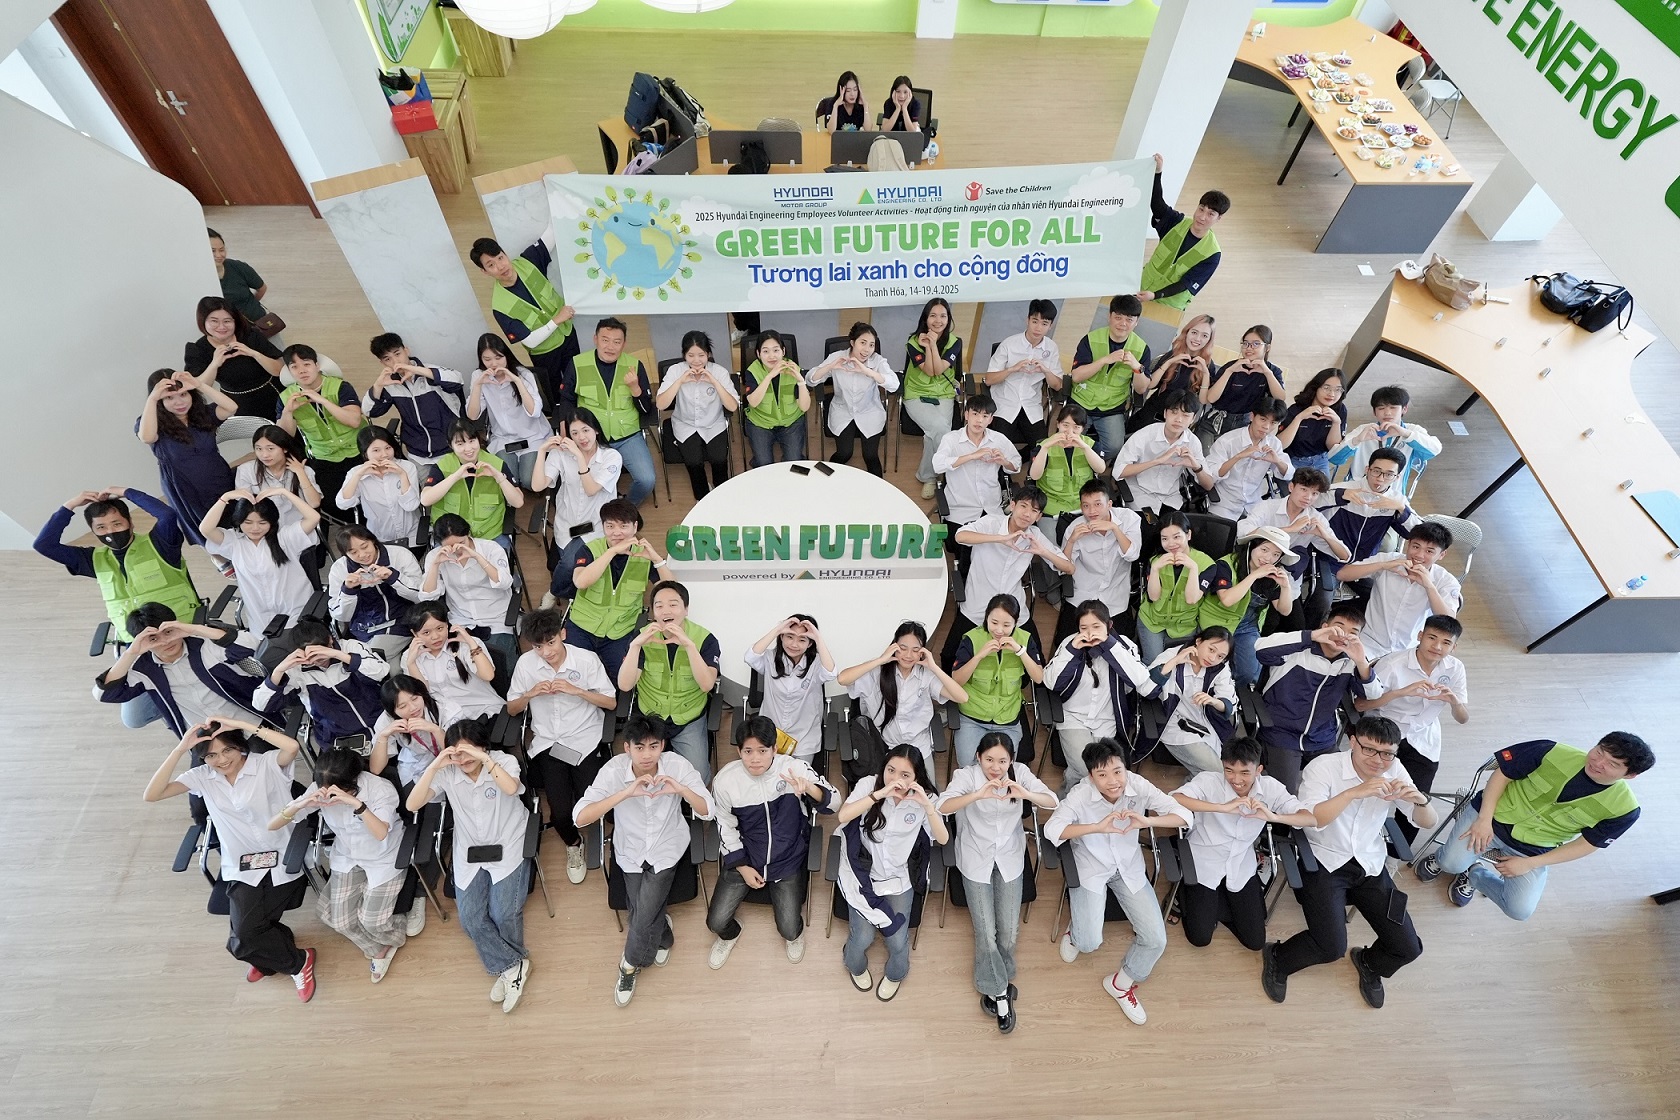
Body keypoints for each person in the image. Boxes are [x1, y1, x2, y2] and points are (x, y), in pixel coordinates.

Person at [1261, 716, 1435, 1009]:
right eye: (1369, 750)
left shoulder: (1394, 769)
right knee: (1330, 947)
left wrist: (1421, 801)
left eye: (1387, 754)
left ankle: (1369, 963)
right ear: (1353, 742)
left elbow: (1428, 822)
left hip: (1369, 863)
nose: (1378, 761)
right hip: (1323, 859)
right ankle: (1278, 957)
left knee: (1408, 947)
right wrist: (1354, 792)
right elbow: (1313, 819)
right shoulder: (1324, 767)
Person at [142, 716, 317, 1001]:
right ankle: (286, 959)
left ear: (239, 746)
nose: (221, 760)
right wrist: (180, 749)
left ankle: (289, 960)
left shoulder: (265, 765)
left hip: (283, 858)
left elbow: (292, 747)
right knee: (245, 937)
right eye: (211, 755)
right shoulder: (202, 777)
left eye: (227, 750)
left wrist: (241, 725)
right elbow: (152, 794)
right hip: (242, 866)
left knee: (241, 941)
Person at [1418, 733, 1652, 920]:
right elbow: (1503, 773)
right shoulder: (1551, 751)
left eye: (1612, 764)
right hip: (1493, 818)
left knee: (1519, 911)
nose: (1597, 763)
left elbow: (1587, 845)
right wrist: (1484, 819)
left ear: (1630, 775)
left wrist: (1531, 863)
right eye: (1599, 751)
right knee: (1450, 863)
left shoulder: (1625, 810)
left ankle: (1474, 873)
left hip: (1532, 848)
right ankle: (1446, 859)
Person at [574, 714, 717, 1008]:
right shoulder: (613, 770)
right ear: (627, 747)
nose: (647, 755)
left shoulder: (676, 765)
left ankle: (628, 966)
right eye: (639, 748)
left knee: (639, 916)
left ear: (662, 745)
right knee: (643, 910)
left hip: (666, 849)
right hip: (630, 851)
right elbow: (580, 817)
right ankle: (664, 935)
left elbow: (708, 810)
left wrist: (681, 789)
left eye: (653, 746)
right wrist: (625, 793)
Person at [1045, 737, 1187, 1025]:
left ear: (1126, 768)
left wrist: (1149, 821)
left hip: (1128, 867)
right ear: (1091, 776)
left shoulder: (1138, 785)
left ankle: (1120, 985)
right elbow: (1052, 829)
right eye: (1102, 775)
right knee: (1088, 943)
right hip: (1092, 866)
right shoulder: (1081, 794)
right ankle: (1076, 931)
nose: (1113, 782)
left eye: (1118, 771)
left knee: (1156, 940)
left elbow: (1183, 815)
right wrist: (1097, 827)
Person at [406, 717, 534, 1013]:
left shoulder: (503, 761)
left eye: (468, 752)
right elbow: (413, 804)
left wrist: (484, 759)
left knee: (502, 913)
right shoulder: (448, 772)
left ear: (482, 747)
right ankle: (513, 965)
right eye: (456, 753)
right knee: (471, 920)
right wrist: (435, 765)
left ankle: (508, 968)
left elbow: (511, 788)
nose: (462, 759)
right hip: (470, 851)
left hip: (508, 842)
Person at [936, 731, 1058, 1032]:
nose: (996, 767)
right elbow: (942, 806)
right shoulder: (967, 776)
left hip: (1009, 858)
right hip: (975, 858)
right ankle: (1001, 993)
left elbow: (1052, 801)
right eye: (989, 759)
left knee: (1010, 931)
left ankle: (995, 981)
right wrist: (978, 795)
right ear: (979, 757)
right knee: (986, 932)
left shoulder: (1021, 773)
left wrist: (1025, 793)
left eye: (1002, 761)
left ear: (1011, 760)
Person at [35, 488, 199, 703]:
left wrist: (127, 493)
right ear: (93, 531)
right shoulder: (93, 559)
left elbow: (167, 515)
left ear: (130, 523)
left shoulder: (159, 544)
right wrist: (70, 506)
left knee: (198, 684)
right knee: (135, 716)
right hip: (139, 645)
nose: (110, 532)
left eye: (117, 524)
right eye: (101, 527)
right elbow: (43, 545)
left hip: (182, 632)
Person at [707, 715, 841, 969]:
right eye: (748, 751)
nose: (755, 758)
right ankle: (731, 935)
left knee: (789, 930)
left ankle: (795, 934)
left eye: (762, 750)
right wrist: (742, 867)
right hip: (747, 857)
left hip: (787, 859)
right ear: (738, 751)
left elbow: (835, 803)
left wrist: (810, 789)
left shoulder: (793, 768)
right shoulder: (725, 781)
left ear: (774, 749)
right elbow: (725, 826)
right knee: (716, 923)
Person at [269, 748, 407, 982]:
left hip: (383, 855)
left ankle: (397, 927)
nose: (330, 796)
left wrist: (356, 804)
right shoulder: (321, 789)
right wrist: (301, 805)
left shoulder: (380, 789)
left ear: (354, 780)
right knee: (337, 920)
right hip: (348, 856)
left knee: (371, 921)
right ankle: (378, 949)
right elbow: (272, 825)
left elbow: (380, 833)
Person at [1170, 737, 1315, 950]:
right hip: (1204, 859)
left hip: (1240, 862)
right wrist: (1221, 807)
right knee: (1199, 938)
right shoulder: (1209, 780)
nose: (1236, 780)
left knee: (1255, 942)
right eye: (1229, 770)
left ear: (1259, 770)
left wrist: (1274, 817)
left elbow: (1310, 818)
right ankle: (1194, 898)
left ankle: (1213, 906)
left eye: (1245, 773)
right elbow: (1175, 798)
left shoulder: (1271, 788)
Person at [506, 607, 616, 885]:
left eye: (551, 643)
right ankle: (574, 844)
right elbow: (512, 708)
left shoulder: (586, 660)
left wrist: (577, 690)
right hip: (549, 744)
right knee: (561, 814)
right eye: (538, 647)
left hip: (584, 738)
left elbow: (610, 701)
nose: (546, 652)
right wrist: (530, 694)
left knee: (594, 801)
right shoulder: (526, 665)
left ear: (562, 634)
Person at [836, 745, 948, 1001]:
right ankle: (854, 964)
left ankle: (896, 974)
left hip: (899, 877)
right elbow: (843, 815)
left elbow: (942, 839)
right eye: (891, 770)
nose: (896, 779)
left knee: (897, 942)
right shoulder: (869, 784)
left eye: (905, 775)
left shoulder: (925, 798)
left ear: (916, 777)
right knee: (862, 938)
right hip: (863, 871)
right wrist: (880, 794)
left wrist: (927, 807)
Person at [1357, 615, 1470, 844]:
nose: (1437, 647)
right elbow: (1360, 705)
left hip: (1423, 737)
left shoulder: (1455, 668)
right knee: (1369, 791)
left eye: (1446, 643)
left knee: (1418, 798)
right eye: (1432, 638)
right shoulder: (1392, 664)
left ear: (1454, 647)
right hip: (1385, 729)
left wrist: (1454, 702)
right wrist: (1400, 692)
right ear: (1420, 636)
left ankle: (1396, 853)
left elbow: (1463, 718)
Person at [1253, 604, 1382, 792]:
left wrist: (1361, 661)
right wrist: (1311, 636)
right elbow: (1260, 649)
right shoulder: (1297, 649)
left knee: (1342, 789)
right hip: (1282, 735)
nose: (1343, 636)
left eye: (1352, 633)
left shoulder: (1351, 662)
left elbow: (1373, 694)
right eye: (1338, 628)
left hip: (1322, 738)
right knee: (1285, 796)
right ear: (1325, 627)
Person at [95, 605, 265, 738]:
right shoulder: (144, 668)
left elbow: (253, 646)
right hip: (207, 742)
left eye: (168, 632)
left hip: (249, 726)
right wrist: (131, 653)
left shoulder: (204, 644)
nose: (165, 641)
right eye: (153, 638)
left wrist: (194, 629)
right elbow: (104, 694)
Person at [949, 485, 1070, 669]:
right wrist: (999, 539)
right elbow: (960, 536)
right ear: (1013, 505)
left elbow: (1069, 567)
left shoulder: (1034, 535)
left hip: (1013, 609)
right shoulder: (991, 522)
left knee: (1037, 661)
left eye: (1034, 510)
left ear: (1038, 517)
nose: (1027, 514)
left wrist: (1043, 552)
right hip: (977, 605)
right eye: (1023, 506)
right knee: (949, 656)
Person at [617, 580, 721, 783]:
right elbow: (625, 685)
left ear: (686, 610)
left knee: (698, 777)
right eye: (659, 606)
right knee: (641, 775)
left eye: (673, 604)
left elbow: (707, 685)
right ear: (653, 612)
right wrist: (635, 646)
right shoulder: (642, 638)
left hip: (688, 717)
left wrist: (689, 646)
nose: (666, 610)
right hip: (650, 716)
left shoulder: (705, 639)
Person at [1044, 601, 1151, 792]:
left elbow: (1139, 678)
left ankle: (1079, 797)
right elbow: (1051, 682)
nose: (1090, 633)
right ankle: (1069, 797)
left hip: (1107, 721)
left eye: (1096, 627)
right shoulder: (1070, 643)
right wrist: (1072, 650)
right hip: (1074, 717)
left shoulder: (1123, 644)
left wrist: (1109, 645)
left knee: (1105, 771)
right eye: (1084, 628)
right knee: (1085, 769)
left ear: (1109, 625)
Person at [839, 621, 968, 774]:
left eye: (915, 650)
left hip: (919, 748)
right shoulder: (877, 672)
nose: (908, 655)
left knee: (926, 789)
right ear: (894, 647)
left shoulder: (926, 675)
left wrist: (933, 667)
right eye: (903, 648)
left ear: (922, 652)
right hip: (886, 748)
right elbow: (842, 679)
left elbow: (962, 697)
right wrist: (880, 660)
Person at [565, 499, 673, 678]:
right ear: (603, 527)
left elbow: (671, 592)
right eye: (610, 526)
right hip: (582, 627)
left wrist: (657, 560)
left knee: (623, 679)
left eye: (623, 526)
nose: (617, 533)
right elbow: (580, 582)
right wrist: (611, 552)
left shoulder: (643, 554)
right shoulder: (589, 550)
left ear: (635, 527)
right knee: (575, 675)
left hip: (621, 631)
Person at [471, 229, 578, 406]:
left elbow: (552, 233)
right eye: (491, 265)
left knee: (578, 382)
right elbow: (530, 341)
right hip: (545, 354)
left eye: (500, 258)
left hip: (568, 335)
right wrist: (557, 319)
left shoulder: (528, 262)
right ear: (485, 271)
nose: (500, 266)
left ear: (505, 254)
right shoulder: (500, 307)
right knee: (558, 396)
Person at [560, 318, 656, 505]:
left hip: (627, 436)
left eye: (616, 342)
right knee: (580, 481)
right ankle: (598, 508)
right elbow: (566, 399)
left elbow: (646, 409)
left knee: (647, 480)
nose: (610, 347)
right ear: (595, 339)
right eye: (605, 340)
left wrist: (635, 388)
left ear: (624, 344)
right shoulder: (577, 363)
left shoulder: (634, 365)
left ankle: (623, 508)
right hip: (591, 437)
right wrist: (565, 431)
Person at [1237, 468, 1348, 627]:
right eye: (1303, 489)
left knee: (1296, 627)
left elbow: (1344, 556)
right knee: (1267, 623)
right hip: (1254, 569)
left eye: (1315, 493)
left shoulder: (1315, 518)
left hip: (1286, 579)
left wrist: (1325, 535)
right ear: (1291, 487)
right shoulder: (1268, 506)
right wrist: (1289, 529)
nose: (1308, 497)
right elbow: (1242, 531)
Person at [256, 617, 389, 749]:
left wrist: (340, 655)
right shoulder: (296, 671)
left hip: (380, 721)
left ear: (330, 640)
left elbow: (381, 672)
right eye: (310, 654)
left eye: (319, 651)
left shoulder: (350, 647)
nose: (317, 658)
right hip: (338, 738)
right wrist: (278, 671)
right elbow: (261, 705)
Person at [1335, 521, 1461, 660]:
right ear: (1408, 544)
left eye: (1429, 551)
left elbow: (1448, 621)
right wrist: (1382, 566)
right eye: (1416, 546)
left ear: (1442, 555)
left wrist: (1429, 586)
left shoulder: (1446, 581)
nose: (1419, 555)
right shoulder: (1388, 560)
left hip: (1410, 651)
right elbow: (1342, 574)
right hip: (1369, 644)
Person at [139, 368, 238, 545]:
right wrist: (152, 398)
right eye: (169, 398)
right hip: (186, 487)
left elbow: (231, 407)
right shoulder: (151, 422)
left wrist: (199, 384)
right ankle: (220, 555)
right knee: (209, 532)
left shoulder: (202, 414)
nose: (179, 402)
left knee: (236, 520)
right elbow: (147, 437)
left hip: (218, 477)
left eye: (183, 394)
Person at [199, 489, 319, 630]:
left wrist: (284, 492)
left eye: (262, 523)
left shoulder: (285, 538)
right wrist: (225, 498)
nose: (255, 528)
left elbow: (313, 518)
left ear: (271, 522)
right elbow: (205, 529)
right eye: (248, 522)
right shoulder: (234, 542)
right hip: (260, 618)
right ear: (239, 521)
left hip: (297, 611)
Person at [930, 393, 1021, 576]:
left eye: (985, 416)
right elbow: (937, 465)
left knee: (997, 554)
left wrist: (1004, 461)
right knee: (967, 557)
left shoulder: (999, 439)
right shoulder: (952, 439)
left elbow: (1016, 465)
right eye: (975, 414)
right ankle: (966, 586)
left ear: (991, 419)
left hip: (991, 509)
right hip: (961, 511)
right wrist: (972, 456)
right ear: (966, 415)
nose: (979, 420)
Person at [951, 594, 1046, 767]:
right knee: (968, 767)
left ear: (1016, 623)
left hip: (1007, 720)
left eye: (1007, 625)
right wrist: (979, 656)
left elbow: (1038, 678)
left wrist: (1020, 651)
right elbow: (956, 680)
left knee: (1001, 768)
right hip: (972, 717)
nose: (999, 630)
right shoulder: (972, 639)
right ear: (986, 617)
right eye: (994, 623)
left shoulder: (1025, 639)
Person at [1197, 525, 1298, 686]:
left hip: (1247, 627)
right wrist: (1255, 575)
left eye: (1276, 554)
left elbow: (1284, 610)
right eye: (1264, 550)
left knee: (1248, 673)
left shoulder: (1273, 574)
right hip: (1217, 622)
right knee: (1211, 665)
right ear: (1252, 545)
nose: (1268, 558)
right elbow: (1227, 600)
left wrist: (1285, 586)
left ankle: (1230, 692)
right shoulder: (1226, 564)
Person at [276, 344, 366, 521]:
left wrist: (323, 401)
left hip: (358, 449)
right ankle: (355, 528)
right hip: (324, 455)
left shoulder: (340, 387)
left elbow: (354, 421)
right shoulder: (285, 397)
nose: (302, 371)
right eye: (294, 367)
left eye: (306, 364)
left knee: (370, 493)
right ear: (289, 371)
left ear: (317, 366)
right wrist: (287, 412)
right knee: (331, 503)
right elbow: (284, 437)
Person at [415, 515, 517, 667]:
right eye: (449, 546)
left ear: (468, 534)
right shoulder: (435, 556)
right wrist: (435, 565)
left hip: (496, 618)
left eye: (461, 543)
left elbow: (504, 583)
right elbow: (427, 597)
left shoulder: (490, 548)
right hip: (461, 620)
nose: (456, 549)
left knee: (499, 662)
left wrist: (477, 557)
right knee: (458, 663)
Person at [1136, 152, 1228, 311]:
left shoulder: (1212, 254)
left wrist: (1156, 295)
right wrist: (1157, 173)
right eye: (1201, 209)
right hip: (1141, 288)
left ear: (1219, 218)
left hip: (1169, 305)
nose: (1202, 217)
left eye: (1210, 214)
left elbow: (1187, 283)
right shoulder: (1177, 222)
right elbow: (1157, 205)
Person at [1056, 480, 1142, 647]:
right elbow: (1064, 568)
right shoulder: (1075, 527)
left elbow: (1132, 555)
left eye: (1097, 504)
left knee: (1122, 649)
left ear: (1109, 504)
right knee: (1065, 646)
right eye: (1086, 506)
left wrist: (1115, 528)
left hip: (1115, 597)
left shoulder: (1128, 519)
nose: (1092, 511)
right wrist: (1072, 541)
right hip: (1083, 595)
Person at [183, 296, 283, 437]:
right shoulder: (198, 349)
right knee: (264, 439)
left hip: (273, 394)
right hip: (238, 403)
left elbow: (278, 370)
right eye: (214, 321)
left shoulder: (250, 335)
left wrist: (254, 354)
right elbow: (199, 387)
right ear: (203, 321)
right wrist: (214, 364)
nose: (221, 327)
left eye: (227, 321)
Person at [808, 322, 900, 477]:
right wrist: (829, 367)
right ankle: (826, 482)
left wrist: (868, 372)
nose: (867, 349)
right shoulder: (837, 357)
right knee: (844, 453)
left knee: (870, 456)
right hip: (843, 410)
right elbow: (811, 380)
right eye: (863, 343)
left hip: (869, 412)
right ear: (852, 342)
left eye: (871, 345)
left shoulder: (877, 361)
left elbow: (894, 385)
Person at [743, 615, 837, 764]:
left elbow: (831, 673)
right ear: (782, 637)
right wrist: (778, 629)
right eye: (789, 637)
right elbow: (750, 657)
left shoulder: (817, 663)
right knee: (768, 775)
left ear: (810, 643)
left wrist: (818, 638)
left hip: (804, 737)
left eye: (802, 640)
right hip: (770, 734)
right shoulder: (770, 658)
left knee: (799, 776)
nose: (794, 644)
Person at [364, 332, 466, 469]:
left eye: (398, 354)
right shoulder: (390, 383)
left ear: (406, 350)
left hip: (451, 449)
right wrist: (378, 385)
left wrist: (418, 371)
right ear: (382, 363)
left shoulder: (429, 371)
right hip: (417, 455)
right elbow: (369, 411)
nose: (395, 362)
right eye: (387, 359)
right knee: (422, 483)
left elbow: (458, 380)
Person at [465, 333, 554, 490]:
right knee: (508, 480)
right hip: (503, 438)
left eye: (498, 357)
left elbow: (534, 411)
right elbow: (472, 415)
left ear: (506, 355)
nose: (494, 364)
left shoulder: (523, 374)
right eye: (487, 359)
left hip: (532, 437)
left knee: (528, 481)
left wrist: (517, 381)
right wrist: (478, 386)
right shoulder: (478, 376)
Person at [532, 408, 624, 559]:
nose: (581, 437)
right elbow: (537, 486)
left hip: (598, 526)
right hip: (567, 526)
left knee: (572, 563)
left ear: (596, 430)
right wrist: (542, 451)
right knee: (572, 562)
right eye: (574, 433)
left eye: (585, 430)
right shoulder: (560, 454)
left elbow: (591, 489)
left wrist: (579, 457)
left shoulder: (612, 457)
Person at [656, 331, 737, 500]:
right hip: (685, 424)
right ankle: (702, 496)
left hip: (713, 423)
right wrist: (679, 381)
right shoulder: (675, 370)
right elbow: (661, 404)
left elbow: (732, 406)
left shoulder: (719, 372)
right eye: (690, 355)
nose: (696, 360)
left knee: (719, 458)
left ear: (708, 354)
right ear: (684, 355)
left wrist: (714, 382)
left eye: (701, 355)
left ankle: (721, 492)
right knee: (693, 461)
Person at [1069, 294, 1152, 459]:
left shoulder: (1142, 349)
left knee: (1114, 448)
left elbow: (1141, 389)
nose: (1123, 324)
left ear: (1136, 322)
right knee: (1067, 440)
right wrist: (1104, 360)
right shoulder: (1091, 339)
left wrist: (1137, 368)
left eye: (1129, 320)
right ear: (1109, 317)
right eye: (1118, 317)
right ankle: (1080, 458)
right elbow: (1076, 376)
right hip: (1081, 401)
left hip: (1111, 408)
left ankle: (1087, 460)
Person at [1145, 627, 1237, 774]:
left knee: (1232, 768)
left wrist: (1214, 701)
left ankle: (1194, 785)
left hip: (1205, 722)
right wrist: (1174, 662)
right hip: (1174, 723)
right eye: (1211, 650)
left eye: (1220, 656)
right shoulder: (1172, 655)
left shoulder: (1220, 667)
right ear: (1198, 641)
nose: (1213, 658)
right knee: (1219, 772)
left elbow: (1228, 704)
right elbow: (1146, 689)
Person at [419, 420, 524, 549]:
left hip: (490, 536)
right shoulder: (442, 466)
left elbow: (518, 502)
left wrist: (498, 477)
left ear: (478, 440)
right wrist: (455, 477)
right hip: (452, 538)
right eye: (460, 444)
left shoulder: (496, 464)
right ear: (451, 445)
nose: (468, 448)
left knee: (500, 559)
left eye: (472, 441)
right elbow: (425, 500)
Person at [326, 524, 423, 658]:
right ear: (345, 554)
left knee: (373, 658)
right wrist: (348, 590)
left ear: (373, 540)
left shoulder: (400, 555)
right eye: (353, 552)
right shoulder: (339, 569)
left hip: (402, 620)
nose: (362, 555)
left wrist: (393, 578)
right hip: (364, 628)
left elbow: (421, 596)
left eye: (365, 546)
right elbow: (341, 616)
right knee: (390, 666)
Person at [1114, 392, 1216, 515]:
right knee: (1149, 524)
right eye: (1174, 412)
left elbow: (1209, 485)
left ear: (1193, 419)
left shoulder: (1192, 442)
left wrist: (1197, 467)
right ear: (1165, 413)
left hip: (1170, 499)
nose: (1178, 419)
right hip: (1140, 496)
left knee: (1176, 526)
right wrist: (1157, 461)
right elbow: (1118, 471)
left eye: (1185, 415)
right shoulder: (1145, 435)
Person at [1320, 448, 1424, 568]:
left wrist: (1401, 508)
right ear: (1367, 469)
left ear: (1397, 477)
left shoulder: (1396, 500)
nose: (1380, 478)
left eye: (1389, 474)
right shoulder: (1342, 489)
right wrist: (1338, 496)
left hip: (1365, 566)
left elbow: (1420, 534)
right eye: (1376, 471)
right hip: (1329, 560)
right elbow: (1308, 505)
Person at [1328, 384, 1441, 495]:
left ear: (1404, 409)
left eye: (1393, 408)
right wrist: (1356, 440)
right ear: (1374, 412)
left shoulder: (1412, 431)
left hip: (1392, 495)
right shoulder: (1364, 430)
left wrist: (1405, 434)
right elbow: (1334, 458)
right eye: (1381, 408)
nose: (1387, 413)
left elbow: (1434, 450)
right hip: (1357, 491)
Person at [903, 297, 964, 498]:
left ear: (949, 318)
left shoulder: (955, 342)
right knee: (940, 429)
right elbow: (930, 371)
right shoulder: (913, 342)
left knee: (934, 434)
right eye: (933, 316)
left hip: (944, 394)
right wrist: (928, 346)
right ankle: (951, 474)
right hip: (916, 394)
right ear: (925, 318)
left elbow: (938, 370)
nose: (938, 321)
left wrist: (932, 345)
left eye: (943, 316)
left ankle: (928, 476)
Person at [402, 601, 505, 721]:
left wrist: (471, 643)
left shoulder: (465, 644)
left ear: (447, 624)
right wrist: (411, 664)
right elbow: (422, 694)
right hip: (447, 719)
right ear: (414, 633)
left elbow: (488, 675)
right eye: (426, 633)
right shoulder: (409, 656)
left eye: (439, 628)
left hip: (483, 710)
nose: (435, 636)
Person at [984, 299, 1063, 451]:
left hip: (1031, 405)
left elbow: (1057, 385)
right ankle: (1009, 466)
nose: (1038, 328)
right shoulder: (1009, 344)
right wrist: (1012, 369)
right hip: (1005, 403)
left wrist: (1046, 370)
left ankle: (1020, 458)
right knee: (998, 448)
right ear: (1027, 320)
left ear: (1050, 326)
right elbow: (989, 380)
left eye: (1044, 323)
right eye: (1035, 321)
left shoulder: (1051, 348)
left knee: (1043, 449)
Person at [1136, 510, 1212, 665]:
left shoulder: (1207, 564)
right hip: (1153, 621)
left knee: (1182, 663)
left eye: (1177, 537)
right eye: (1165, 539)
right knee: (1154, 663)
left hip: (1184, 625)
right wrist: (1155, 569)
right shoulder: (1155, 561)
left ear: (1188, 535)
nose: (1171, 544)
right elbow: (1153, 597)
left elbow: (1191, 599)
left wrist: (1193, 568)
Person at [1205, 398, 1293, 523]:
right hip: (1224, 504)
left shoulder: (1274, 444)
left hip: (1253, 506)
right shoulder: (1228, 441)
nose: (1266, 427)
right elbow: (1211, 476)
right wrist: (1238, 456)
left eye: (1273, 423)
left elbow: (1289, 473)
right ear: (1252, 416)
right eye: (1263, 419)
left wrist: (1277, 461)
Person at [370, 673, 461, 792]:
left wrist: (436, 730)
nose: (413, 708)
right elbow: (376, 769)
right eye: (403, 706)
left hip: (453, 761)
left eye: (415, 699)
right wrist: (383, 736)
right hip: (418, 763)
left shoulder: (446, 709)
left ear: (422, 693)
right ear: (392, 711)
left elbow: (458, 754)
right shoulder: (386, 720)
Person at [338, 427, 422, 547]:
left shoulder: (407, 467)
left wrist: (402, 475)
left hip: (412, 536)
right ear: (365, 453)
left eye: (388, 448)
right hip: (379, 540)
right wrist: (358, 475)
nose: (384, 454)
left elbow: (411, 506)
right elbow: (342, 504)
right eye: (376, 450)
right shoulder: (356, 473)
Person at [1131, 315, 1215, 431]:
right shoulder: (1172, 354)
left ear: (1209, 340)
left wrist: (1205, 373)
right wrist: (1169, 362)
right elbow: (1150, 385)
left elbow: (1203, 400)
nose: (1197, 339)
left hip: (1179, 420)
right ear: (1187, 332)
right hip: (1154, 412)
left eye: (1204, 336)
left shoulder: (1208, 365)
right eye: (1194, 332)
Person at [742, 330, 810, 469]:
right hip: (760, 422)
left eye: (776, 350)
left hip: (791, 421)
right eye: (766, 351)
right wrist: (769, 376)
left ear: (783, 351)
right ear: (758, 354)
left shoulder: (794, 369)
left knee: (794, 461)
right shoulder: (752, 371)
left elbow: (804, 407)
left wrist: (801, 381)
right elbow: (753, 402)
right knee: (763, 463)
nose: (771, 356)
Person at [1030, 404, 1108, 524]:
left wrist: (1084, 447)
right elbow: (1034, 476)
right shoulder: (1043, 446)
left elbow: (1100, 469)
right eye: (1065, 425)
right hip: (1052, 509)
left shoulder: (1091, 445)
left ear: (1083, 429)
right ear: (1058, 424)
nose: (1069, 432)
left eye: (1076, 427)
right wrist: (1045, 448)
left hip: (1085, 507)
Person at [233, 425, 321, 531]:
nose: (264, 455)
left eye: (270, 449)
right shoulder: (246, 470)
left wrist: (300, 473)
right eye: (259, 449)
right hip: (262, 531)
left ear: (284, 448)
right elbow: (245, 509)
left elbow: (314, 503)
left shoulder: (303, 470)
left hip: (298, 529)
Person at [1203, 325, 1287, 435]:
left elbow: (1280, 398)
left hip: (1246, 425)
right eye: (1245, 343)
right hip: (1217, 419)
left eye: (1256, 344)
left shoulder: (1272, 371)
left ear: (1267, 348)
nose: (1249, 348)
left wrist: (1267, 373)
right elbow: (1211, 398)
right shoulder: (1231, 366)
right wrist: (1229, 372)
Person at [1278, 368, 1347, 475]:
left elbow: (1332, 448)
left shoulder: (1340, 410)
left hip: (1321, 460)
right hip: (1294, 460)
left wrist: (1336, 422)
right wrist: (1299, 418)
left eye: (1338, 390)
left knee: (1323, 486)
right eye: (1326, 388)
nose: (1332, 394)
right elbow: (1280, 445)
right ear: (1316, 387)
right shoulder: (1296, 409)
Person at [207, 228, 274, 327]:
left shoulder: (238, 267)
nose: (219, 255)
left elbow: (262, 288)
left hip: (259, 323)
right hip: (229, 329)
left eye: (221, 250)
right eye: (213, 251)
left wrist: (252, 305)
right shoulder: (201, 279)